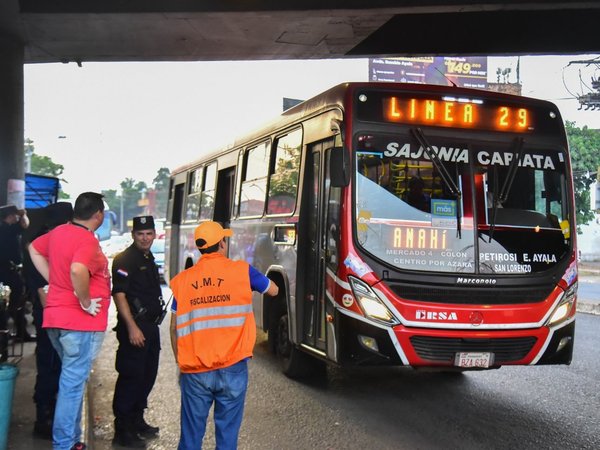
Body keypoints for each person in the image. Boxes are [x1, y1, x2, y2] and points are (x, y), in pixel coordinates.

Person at [169, 221, 279, 450]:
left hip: (195, 370)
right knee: (227, 436)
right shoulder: (242, 271)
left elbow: (174, 327)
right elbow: (274, 290)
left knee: (190, 438)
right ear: (222, 243)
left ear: (200, 248)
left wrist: (181, 362)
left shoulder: (183, 281)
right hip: (232, 367)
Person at [29, 192, 110, 450]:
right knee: (72, 386)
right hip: (78, 323)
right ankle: (64, 445)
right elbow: (77, 269)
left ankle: (73, 441)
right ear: (98, 214)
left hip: (55, 318)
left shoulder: (60, 232)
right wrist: (85, 300)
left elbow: (33, 248)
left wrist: (54, 279)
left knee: (71, 380)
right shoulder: (87, 240)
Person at [111, 215, 163, 448]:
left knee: (147, 376)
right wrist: (132, 327)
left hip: (151, 327)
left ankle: (136, 420)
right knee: (131, 378)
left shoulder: (147, 256)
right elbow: (119, 294)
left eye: (149, 234)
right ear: (133, 235)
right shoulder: (125, 259)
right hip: (135, 327)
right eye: (140, 234)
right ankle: (122, 430)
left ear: (154, 235)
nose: (145, 238)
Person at [22, 202, 73, 439]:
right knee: (50, 365)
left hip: (56, 317)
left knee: (55, 366)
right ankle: (44, 418)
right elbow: (43, 293)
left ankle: (50, 415)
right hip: (51, 319)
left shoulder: (49, 242)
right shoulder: (42, 246)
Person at [0, 204, 30, 362]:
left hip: (6, 273)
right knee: (15, 303)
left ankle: (17, 331)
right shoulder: (7, 229)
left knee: (10, 304)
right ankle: (17, 331)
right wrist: (23, 214)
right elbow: (25, 224)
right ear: (9, 216)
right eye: (14, 215)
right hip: (8, 273)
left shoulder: (5, 228)